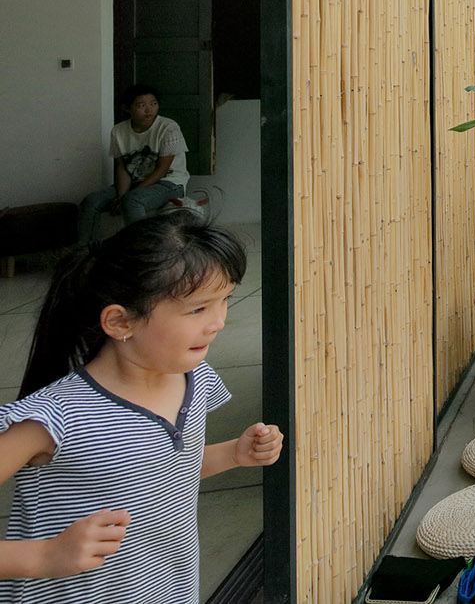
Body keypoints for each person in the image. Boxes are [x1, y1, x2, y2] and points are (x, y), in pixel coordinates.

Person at [0, 210, 283, 601]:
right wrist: (42, 555)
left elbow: (160, 470)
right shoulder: (54, 417)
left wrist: (234, 454)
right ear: (119, 322)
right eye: (198, 308)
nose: (218, 321)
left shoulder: (193, 378)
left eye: (225, 300)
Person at [76, 85, 190, 245]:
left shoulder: (168, 127)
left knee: (133, 201)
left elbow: (162, 169)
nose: (149, 110)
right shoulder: (118, 131)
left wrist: (129, 196)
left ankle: (141, 251)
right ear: (127, 108)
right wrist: (120, 196)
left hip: (169, 183)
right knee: (91, 201)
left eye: (153, 103)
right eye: (141, 105)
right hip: (133, 183)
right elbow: (122, 168)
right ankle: (85, 254)